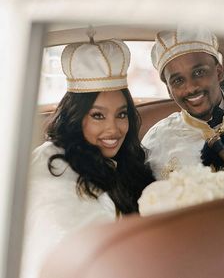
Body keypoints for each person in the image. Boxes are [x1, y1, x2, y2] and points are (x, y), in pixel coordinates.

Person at [20, 36, 154, 278]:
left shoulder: (124, 158)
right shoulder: (51, 165)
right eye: (98, 116)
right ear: (75, 116)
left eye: (121, 114)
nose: (114, 129)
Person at [142, 26, 224, 180]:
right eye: (178, 80)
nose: (191, 88)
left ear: (218, 72)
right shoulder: (155, 143)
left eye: (199, 72)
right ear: (169, 90)